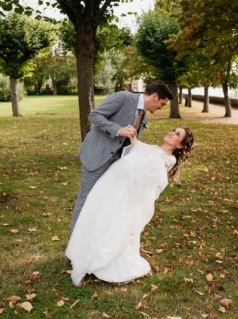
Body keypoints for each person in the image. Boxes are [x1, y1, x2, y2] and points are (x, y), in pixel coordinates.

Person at [66, 127, 194, 286]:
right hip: (113, 184)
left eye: (177, 134)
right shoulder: (153, 149)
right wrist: (133, 139)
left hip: (127, 194)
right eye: (173, 130)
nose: (171, 133)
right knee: (100, 217)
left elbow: (149, 178)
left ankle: (106, 262)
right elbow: (139, 149)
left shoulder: (168, 160)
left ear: (180, 146)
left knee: (116, 225)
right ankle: (87, 253)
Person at [70, 81, 173, 232]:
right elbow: (95, 116)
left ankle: (91, 240)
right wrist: (118, 130)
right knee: (86, 200)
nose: (161, 108)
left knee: (101, 202)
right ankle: (74, 245)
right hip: (97, 156)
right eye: (162, 104)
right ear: (155, 96)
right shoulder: (124, 97)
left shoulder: (143, 115)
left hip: (114, 164)